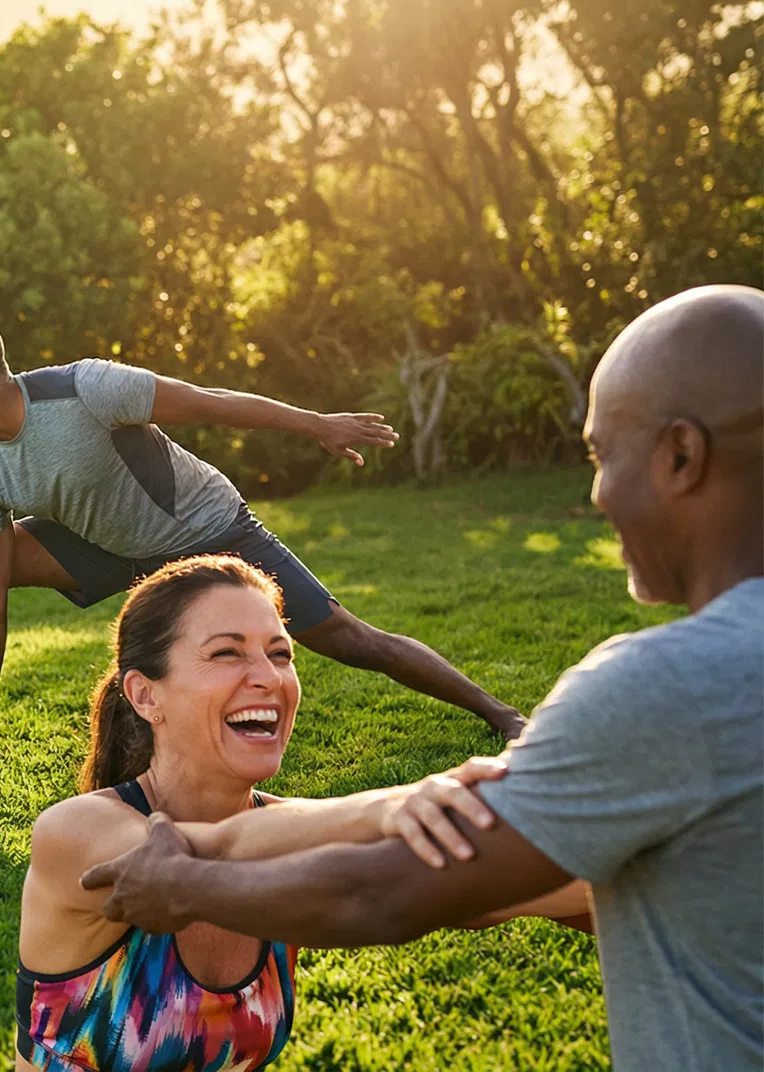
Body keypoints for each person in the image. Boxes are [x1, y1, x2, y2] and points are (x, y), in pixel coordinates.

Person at [78, 284, 764, 1071]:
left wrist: (187, 887)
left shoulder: (668, 687)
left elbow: (386, 893)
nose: (597, 493)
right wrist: (410, 804)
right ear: (143, 692)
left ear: (682, 455)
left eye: (603, 456)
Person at [20, 554, 579, 1072]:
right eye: (226, 652)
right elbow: (198, 853)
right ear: (145, 696)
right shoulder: (76, 833)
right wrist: (393, 804)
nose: (270, 677)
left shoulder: (291, 830)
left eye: (280, 653)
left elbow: (512, 885)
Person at [0, 310, 524, 768]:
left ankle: (501, 714)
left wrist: (318, 426)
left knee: (350, 639)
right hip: (114, 548)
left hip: (205, 529)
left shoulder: (84, 390)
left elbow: (211, 403)